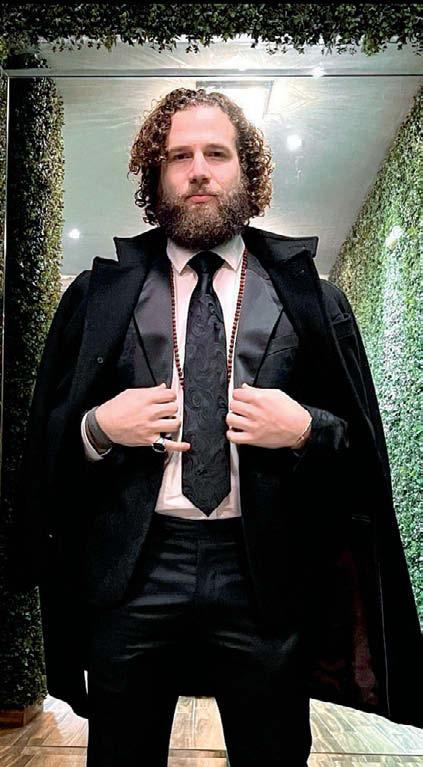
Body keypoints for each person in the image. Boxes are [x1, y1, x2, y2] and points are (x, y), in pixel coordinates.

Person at [9, 88, 422, 766]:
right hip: (133, 571)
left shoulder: (311, 298)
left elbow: (358, 449)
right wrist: (98, 426)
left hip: (263, 574)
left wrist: (304, 427)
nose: (198, 171)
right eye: (179, 156)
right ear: (156, 177)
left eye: (216, 153)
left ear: (246, 172)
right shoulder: (97, 295)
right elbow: (43, 442)